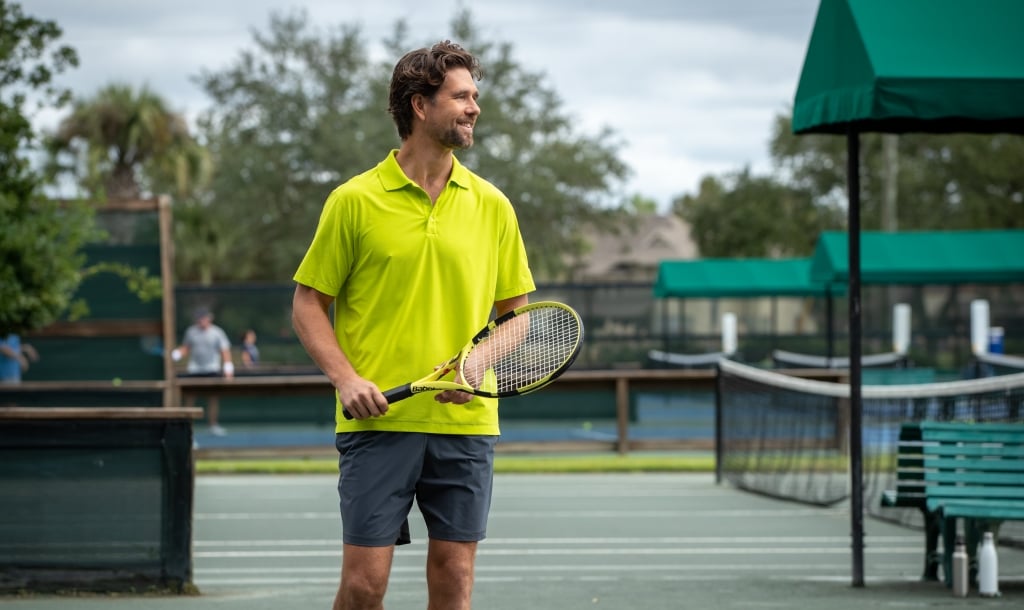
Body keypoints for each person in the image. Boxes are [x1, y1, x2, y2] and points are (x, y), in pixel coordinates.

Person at [291, 40, 535, 610]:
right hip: (378, 424)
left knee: (454, 579)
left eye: (475, 95)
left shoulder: (493, 205)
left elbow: (518, 317)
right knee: (362, 585)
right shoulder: (353, 201)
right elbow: (307, 304)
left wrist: (474, 366)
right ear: (419, 105)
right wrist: (346, 380)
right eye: (460, 96)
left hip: (466, 420)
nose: (474, 107)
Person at [172, 307, 234, 435]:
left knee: (213, 398)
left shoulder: (217, 332)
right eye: (199, 318)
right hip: (194, 370)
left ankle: (213, 425)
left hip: (212, 369)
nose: (201, 320)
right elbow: (186, 348)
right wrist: (178, 353)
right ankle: (188, 428)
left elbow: (225, 351)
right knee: (190, 398)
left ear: (209, 318)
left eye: (203, 317)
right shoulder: (191, 332)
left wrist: (228, 367)